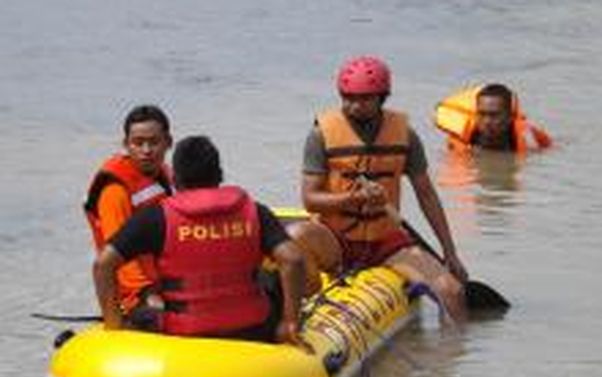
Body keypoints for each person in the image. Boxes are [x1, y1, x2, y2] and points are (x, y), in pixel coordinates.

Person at [289, 55, 468, 323]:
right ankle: (309, 303)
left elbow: (427, 195)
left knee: (450, 291)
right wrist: (353, 198)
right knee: (296, 235)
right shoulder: (321, 135)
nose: (354, 105)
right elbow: (310, 199)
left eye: (364, 99)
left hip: (385, 240)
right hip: (336, 238)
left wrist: (450, 252)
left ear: (382, 97)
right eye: (347, 97)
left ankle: (454, 358)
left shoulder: (405, 135)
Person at [93, 136, 308, 348]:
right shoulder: (255, 211)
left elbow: (103, 264)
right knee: (269, 278)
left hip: (183, 332)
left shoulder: (155, 217)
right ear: (220, 175)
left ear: (175, 180)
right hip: (253, 329)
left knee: (140, 312)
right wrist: (289, 322)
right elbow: (293, 260)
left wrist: (114, 326)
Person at [84, 105, 174, 317]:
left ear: (168, 143)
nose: (146, 150)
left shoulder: (167, 175)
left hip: (167, 280)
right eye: (138, 143)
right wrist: (145, 293)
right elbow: (116, 255)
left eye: (153, 142)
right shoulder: (115, 191)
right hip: (134, 294)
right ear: (126, 144)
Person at [434, 83, 553, 153]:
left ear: (510, 117)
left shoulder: (527, 135)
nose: (486, 121)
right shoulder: (460, 141)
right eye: (482, 114)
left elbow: (549, 148)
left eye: (494, 115)